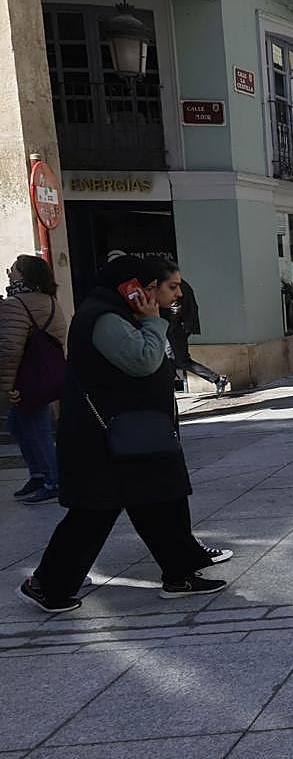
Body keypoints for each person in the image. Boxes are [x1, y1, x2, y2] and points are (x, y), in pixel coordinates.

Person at [18, 256, 230, 613]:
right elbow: (143, 360)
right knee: (94, 512)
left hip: (133, 433)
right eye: (171, 287)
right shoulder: (104, 318)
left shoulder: (121, 314)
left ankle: (180, 574)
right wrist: (152, 321)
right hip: (105, 438)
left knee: (162, 500)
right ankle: (47, 585)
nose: (178, 293)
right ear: (137, 289)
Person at [0, 255, 68, 505]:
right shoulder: (49, 300)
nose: (9, 273)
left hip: (27, 377)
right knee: (18, 425)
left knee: (36, 429)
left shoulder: (15, 304)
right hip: (47, 373)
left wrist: (7, 388)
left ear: (22, 275)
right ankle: (40, 474)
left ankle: (54, 479)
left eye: (13, 269)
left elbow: (9, 348)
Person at [164, 280, 230, 396]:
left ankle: (217, 379)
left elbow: (175, 308)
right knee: (175, 360)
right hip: (179, 326)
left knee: (175, 359)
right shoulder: (178, 282)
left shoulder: (173, 284)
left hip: (176, 328)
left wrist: (170, 326)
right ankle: (217, 379)